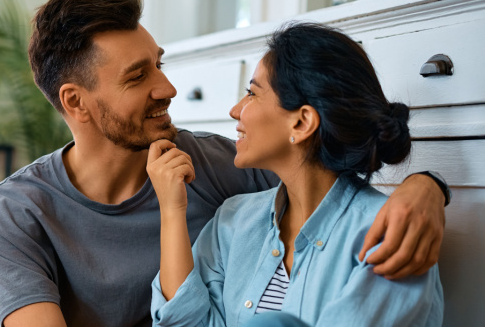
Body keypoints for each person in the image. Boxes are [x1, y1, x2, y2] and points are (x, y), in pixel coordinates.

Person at [0, 0, 448, 327]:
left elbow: (331, 179)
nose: (168, 88)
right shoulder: (15, 211)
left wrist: (426, 187)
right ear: (75, 102)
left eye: (160, 64)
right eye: (138, 76)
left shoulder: (214, 164)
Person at [148, 22, 443, 326]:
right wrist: (172, 210)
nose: (235, 110)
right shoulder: (233, 221)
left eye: (252, 93)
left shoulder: (391, 232)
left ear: (301, 123)